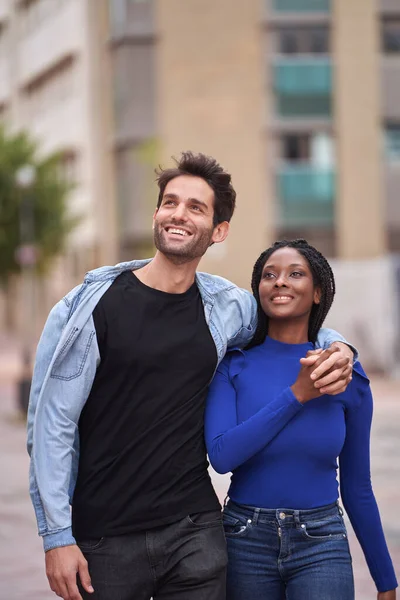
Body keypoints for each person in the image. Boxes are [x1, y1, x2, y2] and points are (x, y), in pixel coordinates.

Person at [27, 154, 354, 600]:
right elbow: (52, 427)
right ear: (158, 213)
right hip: (104, 539)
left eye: (195, 207)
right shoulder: (88, 307)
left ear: (218, 230)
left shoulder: (224, 307)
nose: (179, 213)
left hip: (195, 534)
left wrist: (340, 347)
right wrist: (57, 536)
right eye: (170, 203)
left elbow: (291, 316)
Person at [204, 239, 398, 600]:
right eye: (269, 275)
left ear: (318, 293)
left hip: (321, 541)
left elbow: (357, 486)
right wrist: (297, 395)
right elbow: (221, 455)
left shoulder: (344, 374)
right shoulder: (233, 365)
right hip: (244, 539)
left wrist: (385, 579)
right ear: (258, 290)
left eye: (295, 274)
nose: (280, 282)